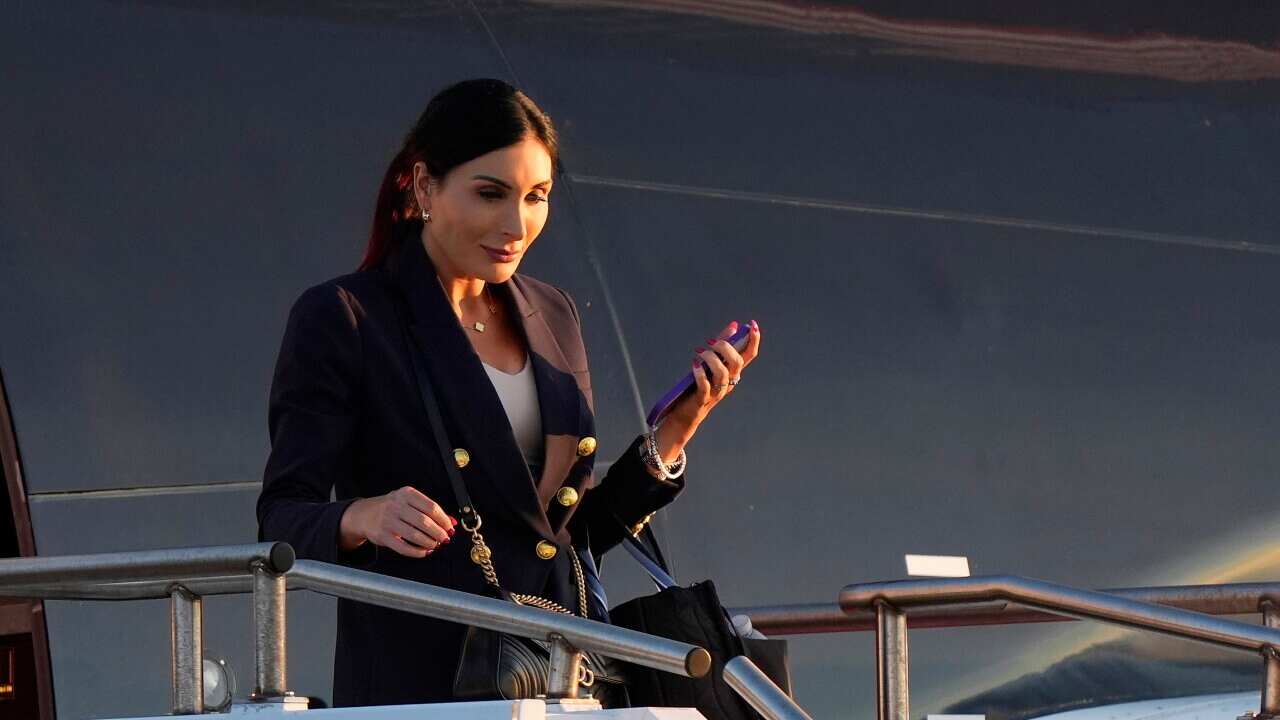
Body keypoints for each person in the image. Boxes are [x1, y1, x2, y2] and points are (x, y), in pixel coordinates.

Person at [256, 78, 761, 708]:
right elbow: (280, 517)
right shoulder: (348, 317)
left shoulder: (553, 312)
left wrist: (676, 431)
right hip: (425, 687)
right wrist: (363, 516)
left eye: (537, 196)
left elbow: (559, 537)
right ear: (423, 187)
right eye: (490, 194)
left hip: (558, 680)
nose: (516, 224)